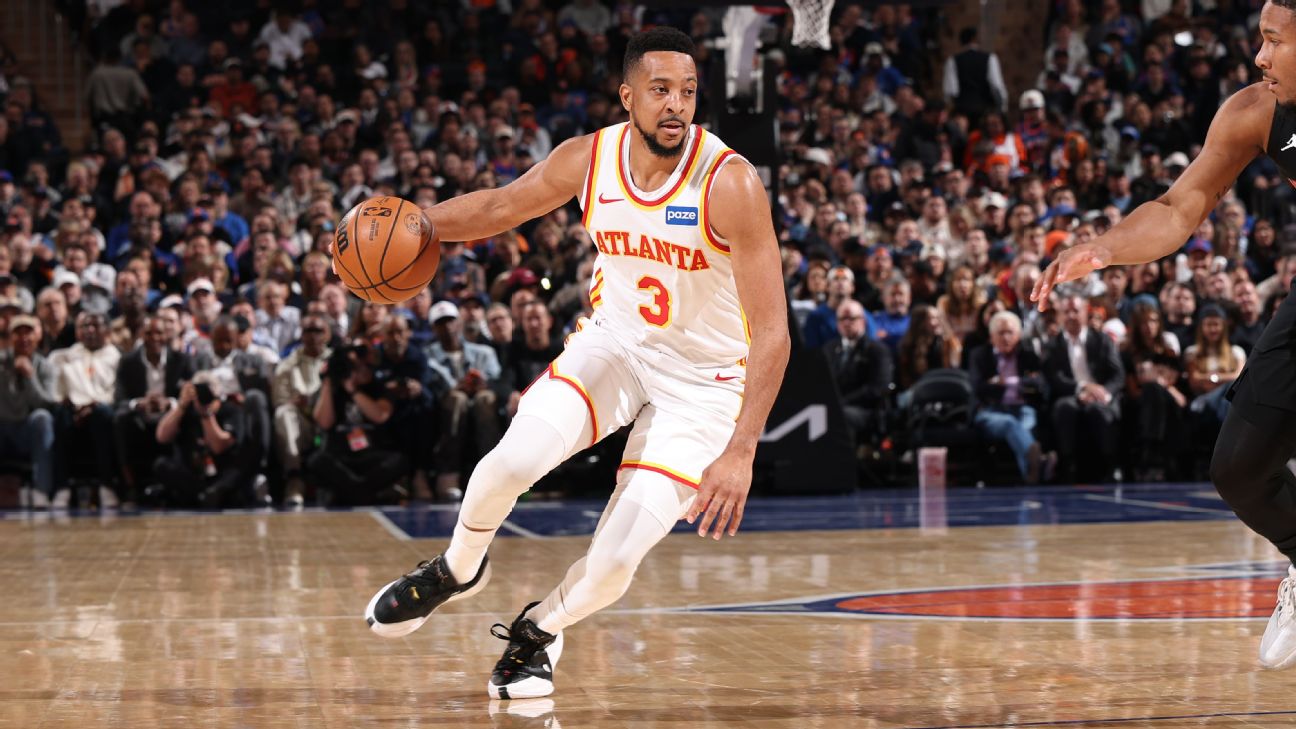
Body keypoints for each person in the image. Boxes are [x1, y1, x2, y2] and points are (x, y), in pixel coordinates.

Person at [357, 28, 790, 700]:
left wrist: (741, 451)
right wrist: (416, 227)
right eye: (659, 90)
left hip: (704, 383)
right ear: (628, 97)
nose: (676, 105)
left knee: (614, 563)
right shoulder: (590, 157)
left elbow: (773, 332)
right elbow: (502, 206)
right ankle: (457, 568)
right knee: (507, 464)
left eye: (687, 92)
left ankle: (539, 629)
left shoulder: (730, 183)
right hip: (616, 344)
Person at [1031, 1, 1296, 669]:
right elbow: (1180, 207)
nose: (1259, 56)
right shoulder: (1256, 110)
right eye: (1260, 39)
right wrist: (1106, 248)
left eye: (1274, 41)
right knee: (1238, 468)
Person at [113, 314, 194, 503]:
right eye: (149, 333)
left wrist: (170, 403)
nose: (154, 338)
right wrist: (139, 403)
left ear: (166, 335)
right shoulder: (128, 361)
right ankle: (130, 485)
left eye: (159, 333)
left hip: (172, 418)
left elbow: (191, 394)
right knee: (120, 418)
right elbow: (119, 400)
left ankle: (186, 480)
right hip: (140, 419)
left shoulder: (181, 360)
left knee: (191, 416)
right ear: (142, 335)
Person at [968, 311, 1050, 483]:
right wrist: (1022, 382)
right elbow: (978, 388)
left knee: (1025, 425)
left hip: (1022, 408)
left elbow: (1040, 384)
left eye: (1010, 332)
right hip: (990, 411)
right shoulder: (979, 355)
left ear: (1018, 335)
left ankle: (1031, 474)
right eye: (1001, 333)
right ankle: (1038, 463)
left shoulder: (1028, 355)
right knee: (1011, 424)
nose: (1006, 338)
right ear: (991, 336)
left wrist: (1005, 382)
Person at [271, 312, 330, 508]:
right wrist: (300, 404)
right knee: (284, 413)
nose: (313, 336)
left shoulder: (336, 360)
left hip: (330, 420)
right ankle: (294, 478)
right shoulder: (287, 365)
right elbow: (279, 401)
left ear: (327, 334)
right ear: (301, 335)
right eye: (308, 331)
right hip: (302, 425)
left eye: (318, 331)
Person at [0, 315, 56, 507]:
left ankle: (41, 491)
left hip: (26, 431)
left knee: (43, 417)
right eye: (18, 333)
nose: (23, 338)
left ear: (37, 337)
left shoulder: (45, 366)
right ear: (10, 337)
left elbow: (47, 404)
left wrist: (30, 377)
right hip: (2, 427)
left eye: (28, 333)